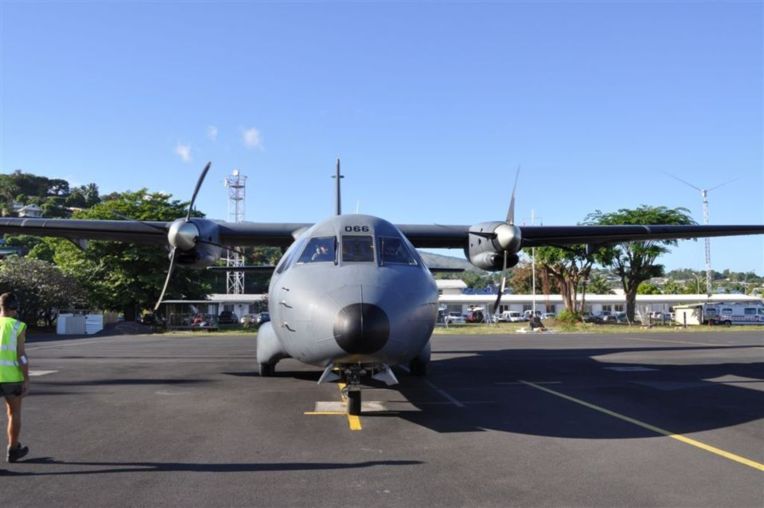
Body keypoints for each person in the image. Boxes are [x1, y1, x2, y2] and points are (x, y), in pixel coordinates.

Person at [0, 292, 29, 463]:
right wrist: (26, 377)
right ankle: (13, 448)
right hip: (12, 378)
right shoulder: (18, 326)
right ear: (15, 308)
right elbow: (21, 355)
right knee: (14, 413)